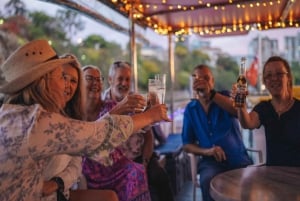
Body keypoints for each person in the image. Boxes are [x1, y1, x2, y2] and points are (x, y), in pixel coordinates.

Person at [0, 39, 170, 201]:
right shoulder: (37, 122)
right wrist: (151, 115)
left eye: (72, 80)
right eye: (61, 77)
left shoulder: (11, 114)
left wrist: (58, 182)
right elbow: (98, 135)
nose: (66, 85)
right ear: (45, 81)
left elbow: (83, 147)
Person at [82, 61, 174, 201]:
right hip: (106, 160)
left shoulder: (133, 100)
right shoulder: (93, 106)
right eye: (120, 78)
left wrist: (145, 161)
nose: (124, 83)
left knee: (157, 175)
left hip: (134, 155)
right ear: (111, 80)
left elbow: (146, 132)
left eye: (127, 79)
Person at [181, 64, 253, 201]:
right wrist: (208, 151)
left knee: (247, 184)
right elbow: (186, 144)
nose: (203, 82)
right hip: (211, 162)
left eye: (206, 78)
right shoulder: (191, 109)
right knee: (208, 181)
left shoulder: (224, 97)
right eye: (198, 79)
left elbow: (236, 111)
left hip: (238, 159)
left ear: (212, 81)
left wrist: (211, 94)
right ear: (193, 84)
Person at [232, 56, 300, 166]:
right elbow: (247, 124)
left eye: (279, 74)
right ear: (265, 81)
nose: (274, 78)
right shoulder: (264, 108)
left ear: (288, 78)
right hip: (272, 174)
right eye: (269, 75)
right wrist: (241, 105)